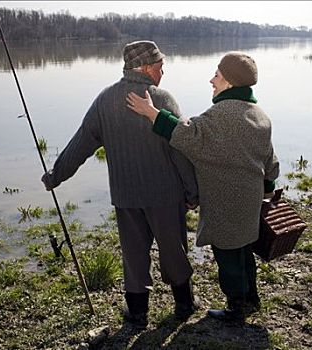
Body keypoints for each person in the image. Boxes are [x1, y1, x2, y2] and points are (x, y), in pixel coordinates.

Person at [41, 40, 199, 330]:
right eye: (161, 67)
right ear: (148, 68)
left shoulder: (105, 100)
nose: (163, 72)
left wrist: (56, 174)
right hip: (165, 195)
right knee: (173, 248)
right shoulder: (161, 99)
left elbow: (81, 143)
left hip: (126, 195)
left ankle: (137, 313)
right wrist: (193, 192)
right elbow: (180, 149)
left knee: (134, 252)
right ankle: (184, 305)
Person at [126, 51, 280, 323]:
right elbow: (270, 161)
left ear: (231, 82)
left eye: (218, 75)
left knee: (228, 257)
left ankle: (236, 308)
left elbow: (188, 135)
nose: (212, 80)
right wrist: (268, 192)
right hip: (250, 201)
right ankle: (251, 298)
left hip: (226, 203)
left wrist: (151, 113)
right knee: (245, 252)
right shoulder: (260, 115)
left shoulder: (221, 115)